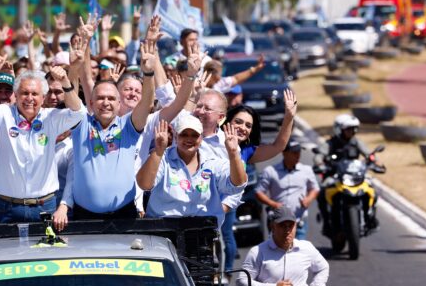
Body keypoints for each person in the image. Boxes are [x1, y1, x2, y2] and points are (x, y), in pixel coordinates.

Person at [0, 40, 86, 223]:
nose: (29, 99)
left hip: (45, 206)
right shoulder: (4, 115)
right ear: (15, 96)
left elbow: (78, 112)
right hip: (8, 208)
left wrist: (66, 81)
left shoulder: (51, 117)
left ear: (43, 98)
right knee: (8, 253)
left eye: (35, 94)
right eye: (24, 93)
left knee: (47, 252)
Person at [54, 42, 157, 226]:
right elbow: (71, 99)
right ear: (91, 103)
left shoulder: (129, 126)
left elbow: (147, 103)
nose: (106, 102)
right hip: (85, 216)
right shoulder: (81, 123)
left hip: (124, 215)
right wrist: (74, 68)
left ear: (119, 104)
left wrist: (148, 74)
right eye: (100, 98)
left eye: (111, 99)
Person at [220, 91, 298, 271]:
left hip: (224, 206)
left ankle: (225, 277)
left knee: (226, 239)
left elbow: (278, 146)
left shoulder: (245, 152)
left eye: (248, 125)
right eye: (238, 122)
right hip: (198, 205)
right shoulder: (209, 139)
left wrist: (288, 117)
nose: (242, 127)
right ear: (226, 122)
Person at [137, 115, 247, 226]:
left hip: (201, 232)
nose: (189, 139)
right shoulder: (162, 157)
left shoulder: (212, 163)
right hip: (162, 230)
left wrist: (233, 154)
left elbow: (237, 186)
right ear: (176, 136)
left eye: (194, 135)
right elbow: (144, 185)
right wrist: (158, 151)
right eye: (184, 134)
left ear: (201, 138)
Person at [237, 206, 329, 286]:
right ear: (272, 227)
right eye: (282, 226)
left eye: (291, 226)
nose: (287, 230)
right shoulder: (258, 252)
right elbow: (241, 281)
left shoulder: (306, 248)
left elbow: (323, 268)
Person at [255, 140, 320, 240]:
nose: (298, 155)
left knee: (298, 253)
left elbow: (314, 188)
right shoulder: (270, 171)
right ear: (284, 153)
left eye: (299, 152)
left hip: (299, 221)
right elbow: (259, 192)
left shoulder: (306, 170)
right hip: (278, 222)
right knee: (277, 253)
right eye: (294, 152)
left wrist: (308, 200)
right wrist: (274, 204)